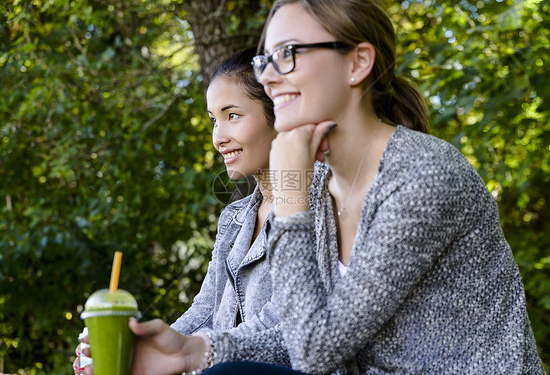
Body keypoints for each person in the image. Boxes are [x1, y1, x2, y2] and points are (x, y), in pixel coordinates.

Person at [96, 1, 546, 374]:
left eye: (289, 53)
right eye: (265, 60)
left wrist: (290, 198)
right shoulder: (326, 189)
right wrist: (191, 350)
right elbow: (302, 331)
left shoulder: (422, 178)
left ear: (357, 63)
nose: (269, 76)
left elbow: (315, 350)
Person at [72, 47, 282, 374]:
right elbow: (206, 308)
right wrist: (141, 350)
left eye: (233, 116)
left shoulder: (319, 206)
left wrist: (198, 354)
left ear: (279, 113)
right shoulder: (234, 218)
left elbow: (284, 322)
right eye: (214, 121)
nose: (218, 138)